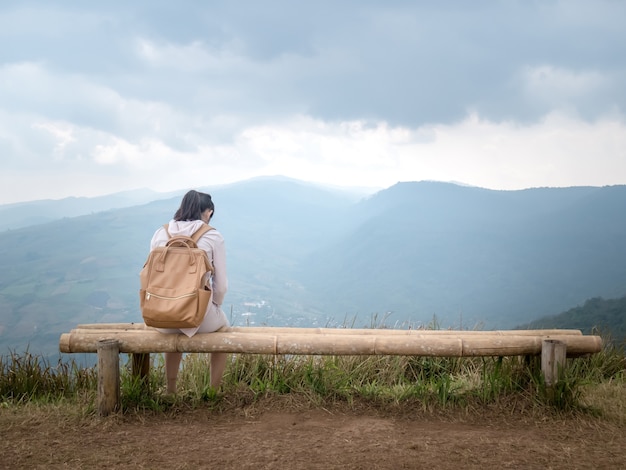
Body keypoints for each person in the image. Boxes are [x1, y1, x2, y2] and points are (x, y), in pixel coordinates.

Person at [148, 190, 229, 394]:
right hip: (199, 317)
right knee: (225, 329)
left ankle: (171, 389)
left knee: (174, 323)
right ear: (208, 212)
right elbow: (222, 285)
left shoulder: (161, 233)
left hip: (162, 317)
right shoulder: (211, 235)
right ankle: (213, 390)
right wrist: (215, 306)